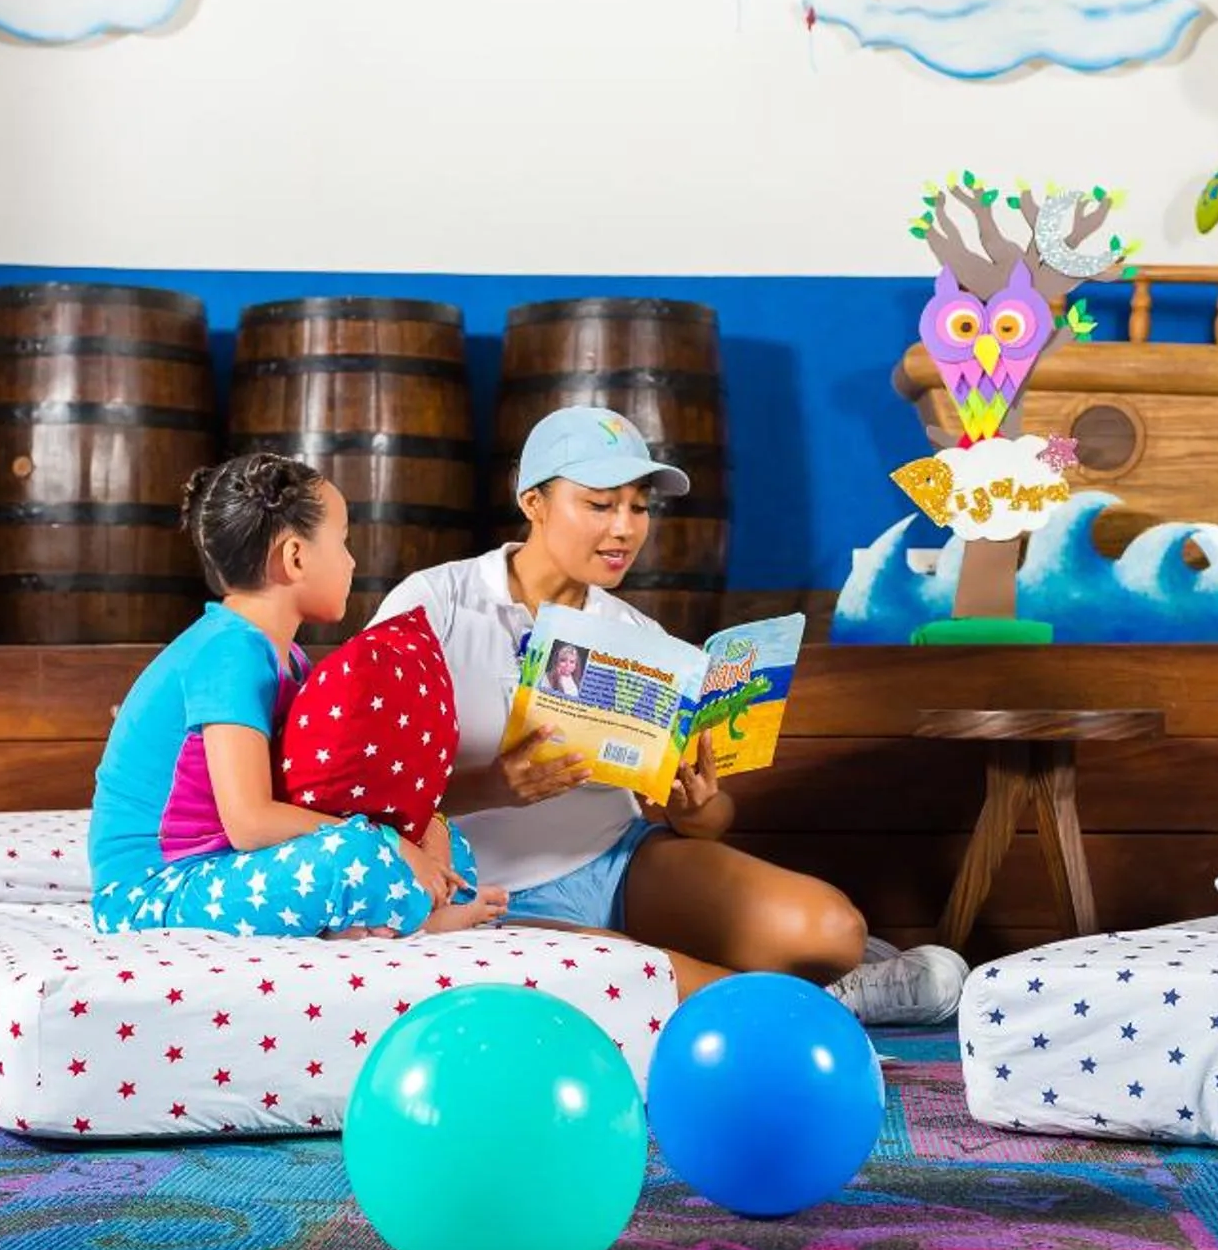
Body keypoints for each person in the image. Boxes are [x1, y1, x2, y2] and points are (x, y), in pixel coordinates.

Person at [368, 405, 967, 1020]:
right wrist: (494, 786)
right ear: (533, 502)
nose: (624, 529)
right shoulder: (436, 603)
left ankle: (823, 978)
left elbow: (707, 822)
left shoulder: (638, 637)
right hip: (481, 893)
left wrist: (696, 807)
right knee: (664, 988)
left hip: (623, 861)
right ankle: (826, 998)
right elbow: (359, 785)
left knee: (833, 930)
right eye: (600, 505)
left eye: (639, 506)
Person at [87, 453, 505, 940]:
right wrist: (388, 844)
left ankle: (377, 915)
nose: (351, 561)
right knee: (355, 855)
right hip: (156, 890)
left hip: (229, 865)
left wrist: (419, 833)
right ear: (295, 558)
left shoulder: (290, 660)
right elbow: (249, 822)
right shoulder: (229, 653)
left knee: (439, 837)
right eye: (343, 542)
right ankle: (407, 918)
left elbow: (322, 791)